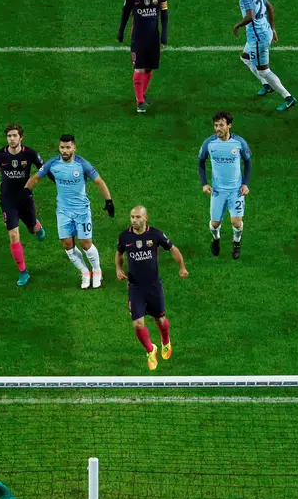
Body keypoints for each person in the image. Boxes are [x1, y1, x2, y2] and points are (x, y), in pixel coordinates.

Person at [25, 135, 115, 289]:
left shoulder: (82, 164)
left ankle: (97, 270)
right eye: (62, 147)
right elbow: (35, 178)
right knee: (67, 245)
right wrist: (26, 193)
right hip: (63, 211)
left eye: (68, 147)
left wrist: (109, 201)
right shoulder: (52, 164)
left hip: (81, 210)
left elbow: (99, 181)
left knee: (85, 244)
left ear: (74, 148)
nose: (64, 151)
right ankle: (85, 271)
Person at [116, 206, 189, 370]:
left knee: (160, 320)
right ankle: (150, 350)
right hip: (135, 287)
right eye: (132, 217)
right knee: (138, 324)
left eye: (137, 217)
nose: (134, 220)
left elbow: (173, 249)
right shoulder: (124, 236)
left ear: (145, 218)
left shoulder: (155, 235)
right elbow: (119, 253)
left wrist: (182, 267)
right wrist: (118, 269)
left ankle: (165, 340)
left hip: (154, 286)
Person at [0, 124, 46, 286]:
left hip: (25, 198)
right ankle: (23, 271)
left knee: (32, 228)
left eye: (14, 136)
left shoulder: (30, 154)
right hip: (7, 200)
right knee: (13, 234)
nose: (11, 139)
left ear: (21, 138)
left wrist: (61, 185)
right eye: (9, 136)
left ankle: (36, 226)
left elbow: (44, 170)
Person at [233, 0, 296, 111]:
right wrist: (273, 28)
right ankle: (267, 85)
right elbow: (270, 7)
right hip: (264, 31)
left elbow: (250, 17)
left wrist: (236, 26)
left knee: (264, 71)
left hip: (258, 37)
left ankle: (288, 97)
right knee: (245, 57)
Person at [198, 112, 252, 259]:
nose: (218, 129)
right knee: (215, 224)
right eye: (216, 125)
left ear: (229, 125)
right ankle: (215, 239)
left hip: (235, 191)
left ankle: (236, 242)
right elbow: (201, 162)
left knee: (236, 222)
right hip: (218, 191)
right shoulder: (209, 143)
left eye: (221, 125)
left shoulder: (239, 143)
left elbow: (248, 162)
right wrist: (204, 183)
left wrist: (245, 184)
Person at [118, 0, 169, 113]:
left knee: (150, 67)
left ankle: (142, 94)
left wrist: (164, 35)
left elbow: (164, 16)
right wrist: (121, 31)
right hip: (138, 38)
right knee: (139, 68)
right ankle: (140, 102)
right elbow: (125, 14)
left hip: (153, 38)